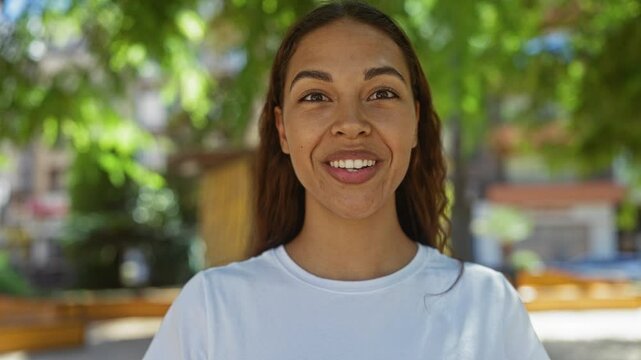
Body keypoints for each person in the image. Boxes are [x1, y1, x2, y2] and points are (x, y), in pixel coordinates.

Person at [143, 1, 550, 359]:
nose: (351, 124)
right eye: (316, 96)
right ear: (283, 130)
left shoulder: (487, 307)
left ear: (415, 122)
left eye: (381, 93)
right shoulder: (211, 311)